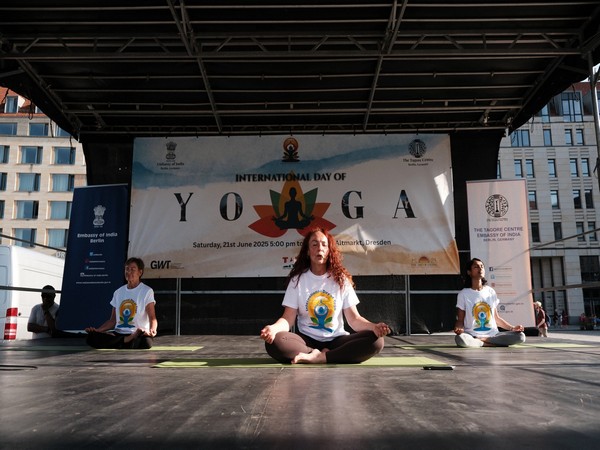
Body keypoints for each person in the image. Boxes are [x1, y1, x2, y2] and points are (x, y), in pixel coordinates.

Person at [260, 227, 390, 364]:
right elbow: (288, 318)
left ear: (329, 251)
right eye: (314, 244)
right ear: (308, 251)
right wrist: (273, 329)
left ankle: (322, 357)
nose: (319, 248)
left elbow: (354, 319)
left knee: (376, 341)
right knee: (275, 342)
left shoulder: (341, 279)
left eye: (324, 244)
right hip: (306, 341)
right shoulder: (297, 280)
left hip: (336, 340)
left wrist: (373, 327)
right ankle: (316, 353)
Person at [85, 257, 157, 349]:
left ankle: (122, 341)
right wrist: (97, 331)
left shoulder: (147, 291)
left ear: (140, 272)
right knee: (91, 338)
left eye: (132, 269)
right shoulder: (118, 292)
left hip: (138, 332)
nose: (129, 272)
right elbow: (112, 321)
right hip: (119, 333)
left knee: (147, 343)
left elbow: (152, 317)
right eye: (127, 269)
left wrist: (152, 330)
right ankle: (126, 340)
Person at [454, 258, 526, 348]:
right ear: (469, 272)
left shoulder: (490, 291)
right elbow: (460, 320)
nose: (480, 269)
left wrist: (512, 328)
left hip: (493, 335)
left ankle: (485, 341)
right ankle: (488, 343)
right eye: (476, 267)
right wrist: (458, 328)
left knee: (520, 336)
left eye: (482, 266)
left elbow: (496, 318)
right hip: (472, 335)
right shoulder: (463, 294)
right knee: (460, 339)